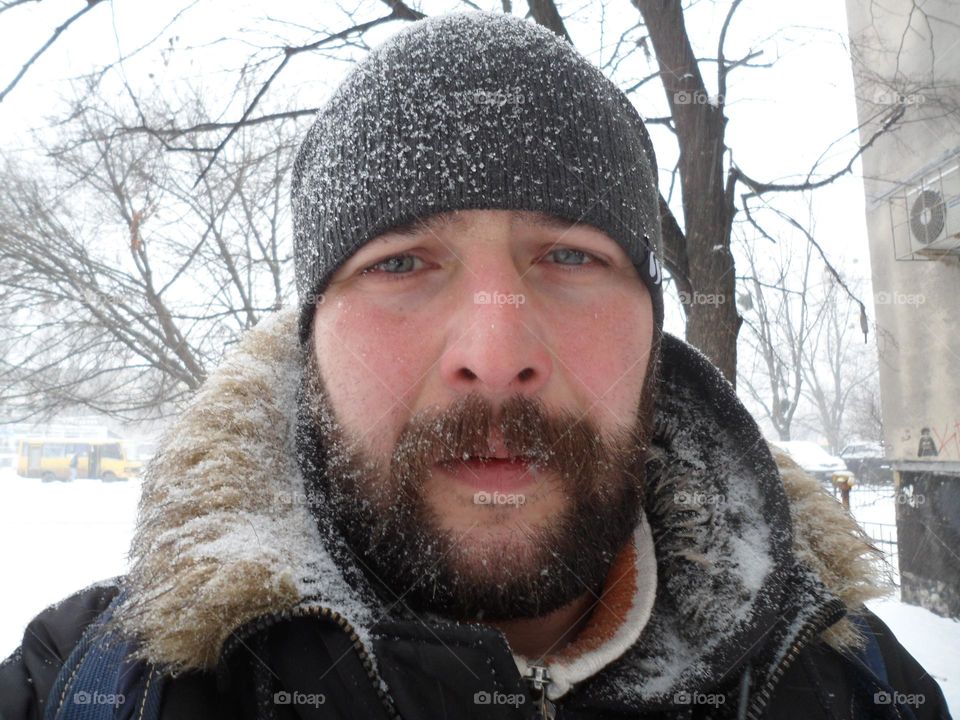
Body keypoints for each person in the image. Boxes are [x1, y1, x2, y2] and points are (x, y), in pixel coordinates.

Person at [0, 12, 950, 720]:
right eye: (402, 264)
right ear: (310, 338)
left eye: (571, 257)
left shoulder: (852, 682)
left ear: (651, 333)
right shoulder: (91, 685)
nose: (494, 358)